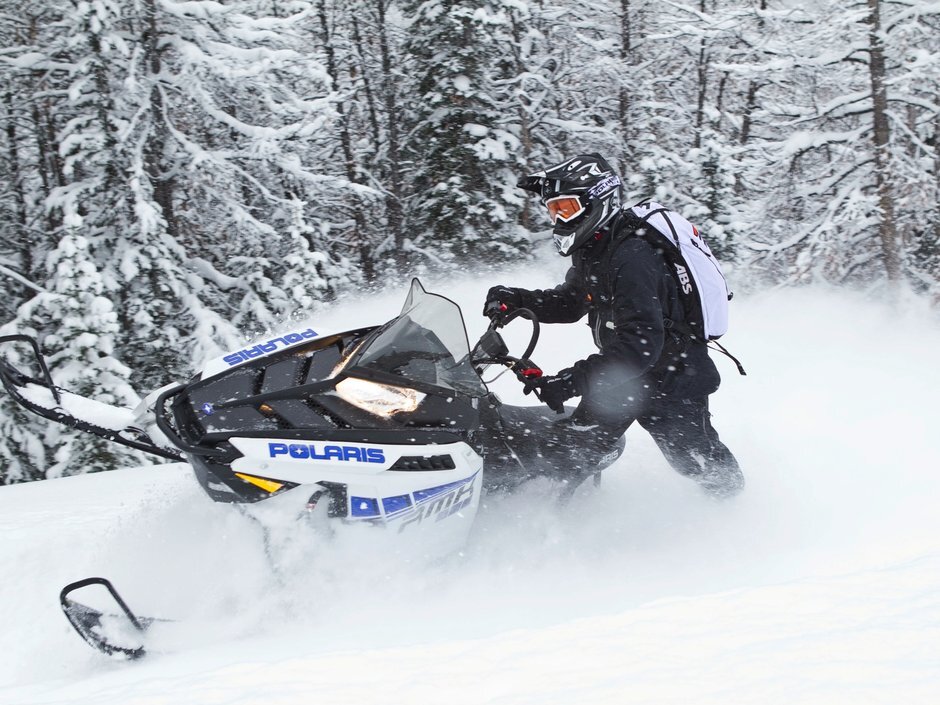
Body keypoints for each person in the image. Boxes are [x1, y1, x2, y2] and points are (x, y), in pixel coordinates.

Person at [484, 153, 744, 498]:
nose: (560, 219)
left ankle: (734, 504)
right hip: (622, 374)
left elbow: (641, 344)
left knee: (695, 459)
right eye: (554, 210)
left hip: (673, 375)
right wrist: (518, 300)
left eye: (567, 208)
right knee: (574, 450)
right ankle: (548, 522)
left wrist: (572, 380)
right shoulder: (596, 246)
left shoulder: (632, 256)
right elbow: (573, 301)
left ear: (597, 201)